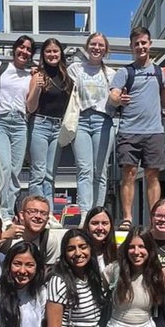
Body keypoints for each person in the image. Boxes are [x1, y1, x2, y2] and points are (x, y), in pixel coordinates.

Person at [110, 27, 165, 227]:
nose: (140, 47)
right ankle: (128, 218)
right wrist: (118, 99)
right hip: (129, 130)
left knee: (152, 175)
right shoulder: (124, 72)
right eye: (136, 43)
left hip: (154, 131)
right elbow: (113, 96)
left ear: (150, 44)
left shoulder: (159, 72)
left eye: (143, 43)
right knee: (128, 174)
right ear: (131, 47)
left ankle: (154, 219)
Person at [0, 35, 41, 220]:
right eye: (21, 47)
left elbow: (31, 106)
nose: (24, 51)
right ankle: (2, 211)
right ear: (14, 49)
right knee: (4, 167)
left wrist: (37, 84)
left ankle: (8, 210)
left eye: (29, 49)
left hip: (20, 122)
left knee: (16, 171)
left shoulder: (31, 75)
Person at [67, 31, 116, 212]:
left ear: (105, 50)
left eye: (100, 45)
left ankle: (98, 212)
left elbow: (115, 99)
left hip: (103, 120)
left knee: (100, 171)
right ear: (87, 47)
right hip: (81, 120)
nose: (96, 48)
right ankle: (85, 213)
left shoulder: (111, 73)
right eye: (93, 44)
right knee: (84, 169)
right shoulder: (75, 69)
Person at [27, 37, 72, 201]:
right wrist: (38, 87)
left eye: (55, 51)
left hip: (58, 126)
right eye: (48, 51)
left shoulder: (67, 75)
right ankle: (35, 210)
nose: (52, 54)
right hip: (39, 123)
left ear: (60, 53)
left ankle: (48, 211)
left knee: (50, 174)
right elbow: (30, 106)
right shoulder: (38, 74)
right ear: (43, 54)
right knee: (38, 171)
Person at [3, 194, 60, 267]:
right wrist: (4, 236)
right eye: (33, 211)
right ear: (21, 215)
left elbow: (49, 271)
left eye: (43, 213)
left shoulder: (49, 239)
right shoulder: (8, 235)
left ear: (47, 219)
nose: (38, 216)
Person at [83, 206, 118, 273]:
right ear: (87, 225)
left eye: (104, 223)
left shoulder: (117, 253)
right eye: (95, 223)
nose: (100, 228)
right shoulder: (79, 253)